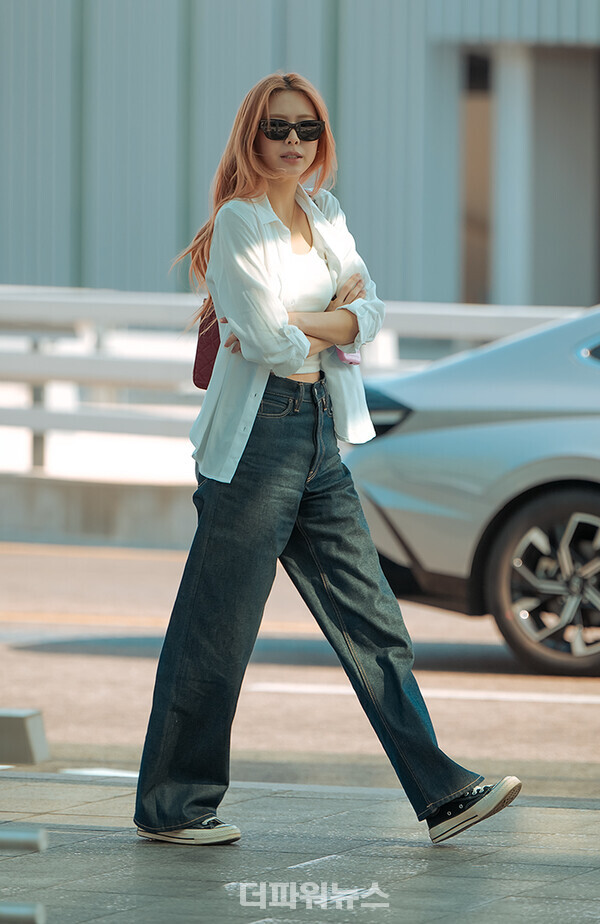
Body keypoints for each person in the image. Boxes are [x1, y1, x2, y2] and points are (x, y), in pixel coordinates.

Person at [133, 72, 521, 847]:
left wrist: (312, 320)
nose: (293, 144)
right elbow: (272, 344)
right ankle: (173, 807)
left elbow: (367, 312)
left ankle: (442, 794)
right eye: (277, 129)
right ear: (253, 135)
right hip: (254, 442)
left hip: (318, 435)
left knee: (373, 620)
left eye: (306, 130)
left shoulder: (326, 212)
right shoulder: (240, 224)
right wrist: (327, 320)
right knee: (217, 633)